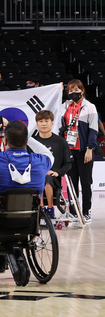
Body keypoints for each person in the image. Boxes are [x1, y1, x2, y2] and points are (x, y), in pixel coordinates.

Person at [0, 121, 53, 211]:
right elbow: (48, 154)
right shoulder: (41, 161)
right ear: (26, 141)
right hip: (29, 218)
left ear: (5, 140)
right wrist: (24, 136)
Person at [60, 79, 98, 223]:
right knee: (71, 183)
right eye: (70, 90)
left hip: (83, 150)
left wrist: (90, 148)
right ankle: (73, 212)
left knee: (86, 183)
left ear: (82, 90)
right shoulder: (65, 106)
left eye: (76, 89)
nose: (73, 92)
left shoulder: (89, 107)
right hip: (69, 150)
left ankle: (86, 212)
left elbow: (93, 130)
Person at [33, 110, 72, 220]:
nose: (44, 124)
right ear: (37, 124)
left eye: (46, 121)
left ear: (52, 123)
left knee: (47, 179)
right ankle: (40, 209)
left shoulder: (60, 141)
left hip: (54, 179)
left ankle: (49, 209)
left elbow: (68, 164)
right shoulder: (32, 141)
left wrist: (57, 172)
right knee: (41, 177)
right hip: (36, 176)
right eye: (41, 121)